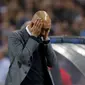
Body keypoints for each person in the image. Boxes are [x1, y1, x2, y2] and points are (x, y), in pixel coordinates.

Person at [5, 11, 62, 85]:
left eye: (47, 30)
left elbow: (53, 63)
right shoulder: (15, 36)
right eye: (43, 29)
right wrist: (34, 36)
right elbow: (23, 60)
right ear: (33, 25)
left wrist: (46, 41)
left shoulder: (43, 38)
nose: (45, 33)